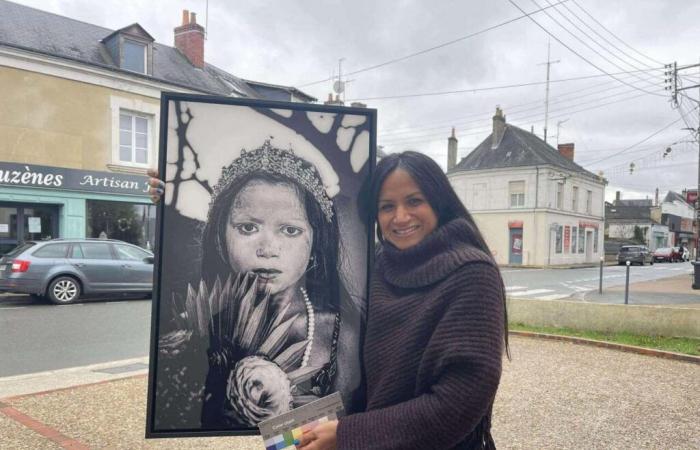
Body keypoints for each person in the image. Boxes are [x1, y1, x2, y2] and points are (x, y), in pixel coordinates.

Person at [296, 151, 509, 450]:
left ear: (438, 202)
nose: (400, 217)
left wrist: (346, 435)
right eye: (387, 207)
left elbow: (458, 403)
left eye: (414, 201)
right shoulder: (375, 267)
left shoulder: (472, 274)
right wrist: (287, 422)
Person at [149, 141, 361, 429]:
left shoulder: (342, 331)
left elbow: (346, 428)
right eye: (248, 228)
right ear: (220, 238)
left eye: (290, 230)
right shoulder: (190, 329)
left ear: (316, 242)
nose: (268, 248)